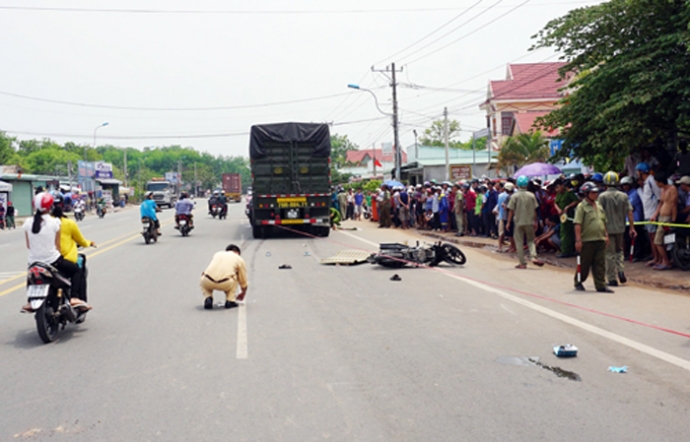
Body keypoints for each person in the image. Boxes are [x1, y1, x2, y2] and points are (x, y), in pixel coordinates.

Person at [21, 193, 83, 312]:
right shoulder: (55, 222)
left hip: (33, 262)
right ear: (50, 206)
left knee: (31, 275)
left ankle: (30, 301)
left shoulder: (28, 222)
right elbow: (58, 245)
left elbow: (28, 245)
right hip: (53, 261)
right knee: (76, 270)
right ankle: (74, 297)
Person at [51, 194, 95, 305]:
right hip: (60, 260)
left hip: (42, 261)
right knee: (78, 271)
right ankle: (75, 297)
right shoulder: (68, 223)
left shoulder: (43, 223)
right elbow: (81, 241)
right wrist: (89, 243)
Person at [598, 172, 636, 286]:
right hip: (621, 228)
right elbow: (630, 212)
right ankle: (621, 271)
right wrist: (632, 228)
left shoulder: (602, 196)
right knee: (619, 251)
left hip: (608, 230)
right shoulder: (623, 196)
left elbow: (600, 215)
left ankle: (611, 278)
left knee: (609, 254)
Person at [573, 182, 612, 293]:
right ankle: (579, 281)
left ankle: (601, 285)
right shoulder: (581, 207)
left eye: (596, 192)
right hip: (587, 240)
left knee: (600, 263)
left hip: (600, 239)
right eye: (593, 192)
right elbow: (577, 224)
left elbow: (603, 221)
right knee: (584, 263)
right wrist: (578, 240)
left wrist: (606, 235)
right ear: (586, 193)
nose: (596, 194)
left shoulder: (599, 205)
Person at [506, 175, 544, 269]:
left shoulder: (514, 196)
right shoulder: (532, 195)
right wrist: (535, 221)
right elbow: (535, 210)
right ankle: (533, 257)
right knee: (531, 241)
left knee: (519, 242)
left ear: (517, 185)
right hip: (529, 222)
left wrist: (508, 222)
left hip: (518, 222)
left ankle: (522, 263)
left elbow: (511, 210)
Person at [200, 244, 248, 310]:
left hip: (208, 281)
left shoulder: (217, 254)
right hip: (225, 283)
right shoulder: (239, 259)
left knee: (203, 276)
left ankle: (208, 297)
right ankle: (230, 300)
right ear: (238, 253)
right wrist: (243, 293)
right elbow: (243, 280)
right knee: (236, 275)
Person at [649, 171, 678, 270]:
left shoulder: (672, 189)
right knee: (663, 241)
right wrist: (654, 215)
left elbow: (674, 205)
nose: (656, 184)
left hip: (667, 218)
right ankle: (663, 260)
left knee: (658, 241)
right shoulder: (662, 190)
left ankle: (666, 262)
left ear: (661, 182)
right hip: (661, 217)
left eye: (657, 182)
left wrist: (673, 220)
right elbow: (660, 203)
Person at [637, 162, 661, 267]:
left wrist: (655, 214)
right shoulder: (646, 183)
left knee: (655, 237)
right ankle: (655, 257)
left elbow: (660, 198)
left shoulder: (652, 181)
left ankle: (659, 259)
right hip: (647, 214)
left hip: (652, 214)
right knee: (651, 237)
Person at [620, 176, 646, 261]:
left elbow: (628, 207)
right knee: (628, 239)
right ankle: (630, 254)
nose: (624, 187)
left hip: (636, 220)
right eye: (623, 185)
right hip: (627, 220)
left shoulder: (634, 194)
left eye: (626, 185)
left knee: (637, 240)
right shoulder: (625, 194)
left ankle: (638, 255)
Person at [554, 178, 579, 258]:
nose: (557, 189)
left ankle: (567, 251)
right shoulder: (559, 194)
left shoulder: (569, 193)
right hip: (562, 217)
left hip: (569, 216)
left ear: (562, 186)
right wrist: (558, 210)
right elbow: (555, 203)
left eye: (558, 187)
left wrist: (568, 207)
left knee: (568, 234)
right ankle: (565, 250)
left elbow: (576, 201)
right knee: (563, 233)